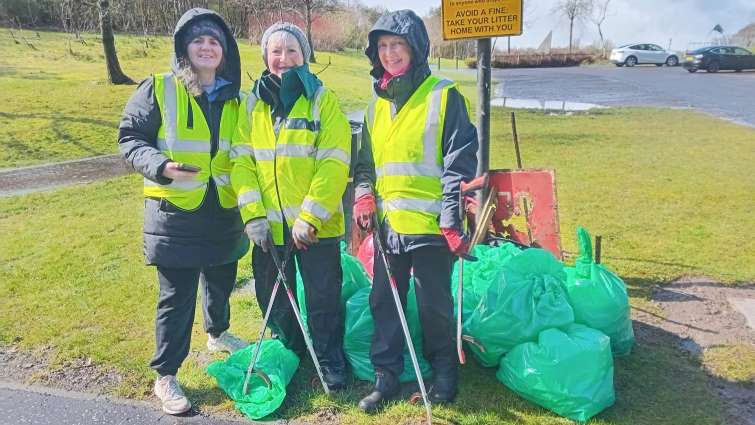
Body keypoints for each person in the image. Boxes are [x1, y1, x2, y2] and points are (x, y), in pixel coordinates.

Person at [118, 8, 249, 415]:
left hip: (223, 208)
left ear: (224, 52)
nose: (207, 47)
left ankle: (218, 332)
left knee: (222, 274)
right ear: (184, 49)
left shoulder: (238, 98)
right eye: (198, 41)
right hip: (175, 210)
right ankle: (167, 374)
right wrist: (161, 166)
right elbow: (130, 138)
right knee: (177, 296)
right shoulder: (158, 88)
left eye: (214, 41)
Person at [352, 9, 479, 412]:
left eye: (397, 45)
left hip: (432, 229)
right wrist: (364, 193)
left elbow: (460, 161)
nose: (389, 54)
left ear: (415, 49)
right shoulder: (376, 106)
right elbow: (366, 163)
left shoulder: (444, 96)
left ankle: (443, 374)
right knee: (384, 304)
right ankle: (385, 377)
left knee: (434, 306)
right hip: (389, 229)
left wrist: (451, 216)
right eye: (383, 47)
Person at [230, 23, 351, 390]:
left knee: (322, 298)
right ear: (266, 58)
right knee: (273, 298)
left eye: (292, 51)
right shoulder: (251, 104)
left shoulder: (321, 100)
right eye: (276, 51)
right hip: (269, 231)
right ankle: (293, 349)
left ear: (305, 56)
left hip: (314, 230)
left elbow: (333, 161)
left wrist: (310, 217)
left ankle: (329, 358)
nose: (284, 59)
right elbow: (241, 160)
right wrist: (253, 216)